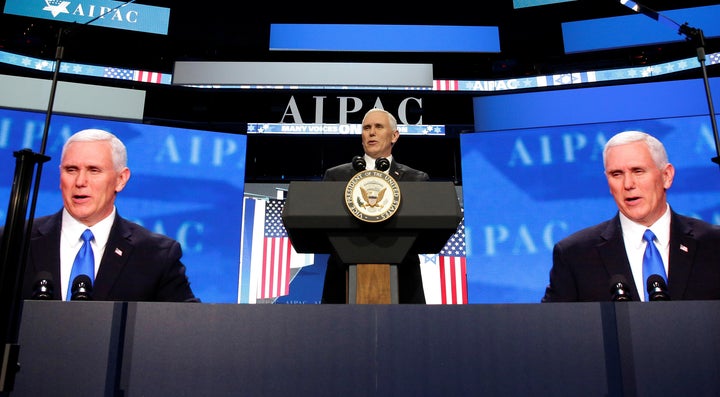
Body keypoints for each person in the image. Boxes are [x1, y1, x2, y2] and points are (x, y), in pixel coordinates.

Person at [19, 128, 199, 302]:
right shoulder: (14, 241)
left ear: (121, 180)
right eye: (71, 170)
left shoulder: (156, 255)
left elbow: (187, 324)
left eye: (94, 170)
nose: (80, 182)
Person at [542, 130, 720, 302]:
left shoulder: (714, 244)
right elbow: (553, 327)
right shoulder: (575, 255)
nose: (628, 184)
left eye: (638, 171)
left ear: (666, 176)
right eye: (616, 174)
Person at [321, 108, 429, 304]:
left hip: (403, 280)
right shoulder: (336, 176)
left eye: (379, 127)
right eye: (366, 128)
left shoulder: (415, 179)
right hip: (343, 279)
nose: (371, 132)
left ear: (394, 135)